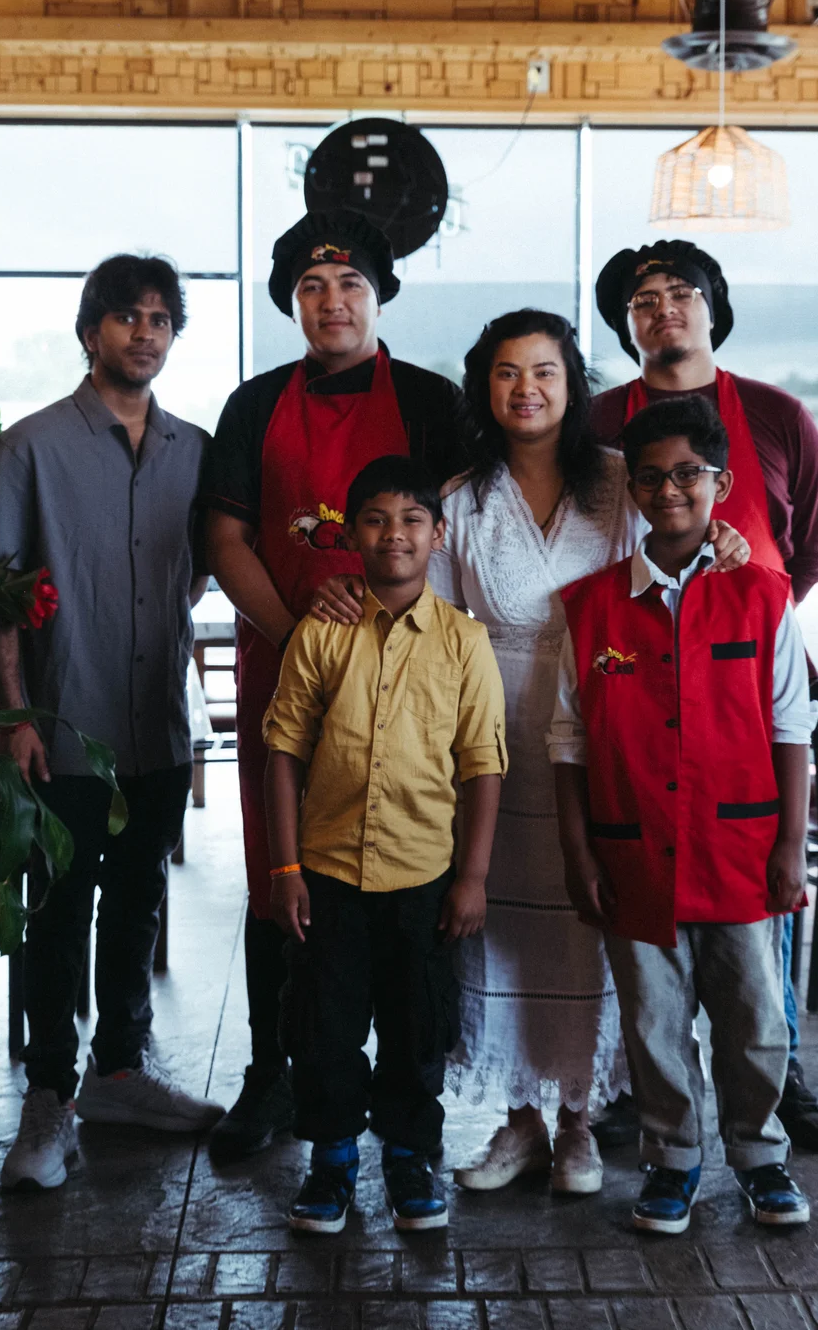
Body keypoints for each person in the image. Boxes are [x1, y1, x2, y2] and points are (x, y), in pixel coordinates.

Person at [315, 310, 749, 1196]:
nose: (526, 390)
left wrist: (723, 542)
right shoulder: (463, 498)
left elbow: (679, 553)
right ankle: (516, 1122)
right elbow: (418, 615)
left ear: (571, 384)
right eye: (507, 374)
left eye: (544, 372)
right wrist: (341, 588)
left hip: (611, 716)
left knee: (587, 919)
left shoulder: (625, 485)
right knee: (499, 932)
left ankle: (580, 1122)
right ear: (485, 387)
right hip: (488, 727)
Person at [202, 209, 468, 1164]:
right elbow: (224, 536)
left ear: (378, 294)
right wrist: (298, 633)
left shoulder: (435, 402)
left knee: (405, 882)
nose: (331, 302)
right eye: (311, 288)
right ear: (291, 304)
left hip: (411, 692)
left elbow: (471, 530)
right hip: (286, 674)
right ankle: (273, 1074)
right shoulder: (254, 404)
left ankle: (410, 1092)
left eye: (349, 284)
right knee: (282, 877)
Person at [591, 240, 818, 1153]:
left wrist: (737, 622)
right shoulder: (594, 424)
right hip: (630, 680)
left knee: (755, 894)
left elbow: (807, 548)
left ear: (711, 308)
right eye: (642, 300)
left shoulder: (775, 415)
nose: (662, 310)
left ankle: (779, 1084)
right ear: (626, 324)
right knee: (640, 903)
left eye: (680, 294)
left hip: (748, 685)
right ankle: (640, 1091)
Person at [0, 254, 224, 1192]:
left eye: (161, 319)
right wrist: (14, 717)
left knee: (137, 903)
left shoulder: (193, 450)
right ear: (91, 331)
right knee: (58, 912)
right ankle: (49, 1098)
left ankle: (121, 1071)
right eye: (127, 317)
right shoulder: (30, 450)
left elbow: (196, 572)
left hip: (156, 726)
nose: (145, 334)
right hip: (62, 724)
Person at [552, 394, 815, 1234]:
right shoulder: (588, 606)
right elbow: (568, 742)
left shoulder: (764, 596)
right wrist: (579, 853)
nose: (669, 490)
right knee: (653, 1020)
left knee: (752, 1017)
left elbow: (788, 728)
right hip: (631, 849)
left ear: (720, 482)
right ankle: (670, 1160)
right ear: (629, 489)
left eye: (687, 475)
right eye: (651, 477)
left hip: (739, 846)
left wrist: (789, 846)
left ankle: (760, 1155)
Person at [263, 456, 506, 1233]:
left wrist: (470, 877)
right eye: (374, 519)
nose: (392, 534)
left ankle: (408, 1158)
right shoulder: (322, 630)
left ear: (438, 534)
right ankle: (331, 1161)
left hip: (422, 874)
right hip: (328, 871)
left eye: (410, 520)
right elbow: (282, 749)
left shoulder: (465, 642)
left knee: (415, 1024)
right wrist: (285, 866)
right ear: (351, 533)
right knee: (324, 1025)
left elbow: (482, 763)